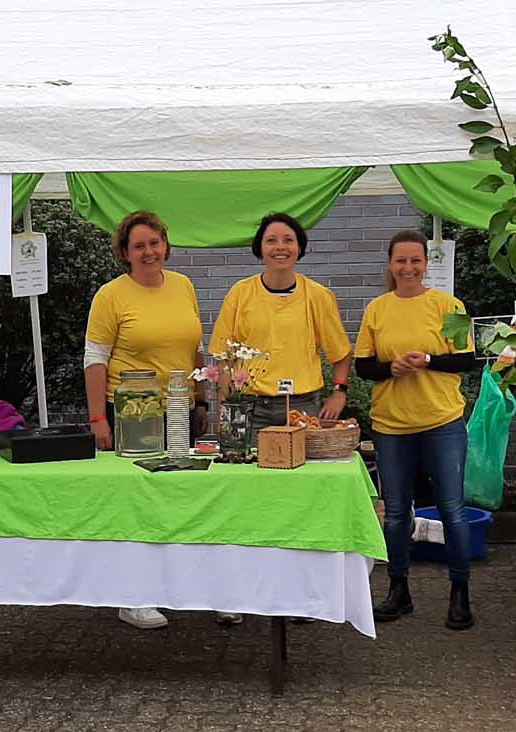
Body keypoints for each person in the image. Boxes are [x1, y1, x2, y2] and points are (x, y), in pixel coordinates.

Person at [84, 210, 211, 630]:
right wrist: (98, 419)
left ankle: (193, 590)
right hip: (132, 418)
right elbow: (95, 360)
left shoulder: (184, 286)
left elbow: (194, 350)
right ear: (125, 252)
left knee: (185, 503)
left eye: (154, 243)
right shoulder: (111, 295)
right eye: (138, 245)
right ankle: (132, 596)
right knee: (136, 506)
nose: (148, 252)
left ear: (165, 245)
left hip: (180, 412)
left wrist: (201, 400)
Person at [354, 229, 477, 630]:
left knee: (452, 510)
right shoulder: (377, 309)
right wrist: (392, 368)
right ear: (390, 265)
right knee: (394, 514)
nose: (408, 267)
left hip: (442, 421)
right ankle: (398, 590)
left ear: (426, 264)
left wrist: (427, 360)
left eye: (415, 260)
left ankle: (460, 593)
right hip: (391, 425)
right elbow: (363, 367)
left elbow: (466, 360)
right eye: (400, 261)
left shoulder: (449, 305)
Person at [208, 212, 353, 431]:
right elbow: (223, 359)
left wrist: (339, 392)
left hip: (302, 406)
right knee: (246, 465)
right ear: (260, 250)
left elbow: (340, 353)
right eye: (271, 241)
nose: (280, 247)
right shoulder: (239, 294)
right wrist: (225, 409)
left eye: (288, 240)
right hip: (250, 407)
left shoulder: (319, 296)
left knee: (304, 465)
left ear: (299, 248)